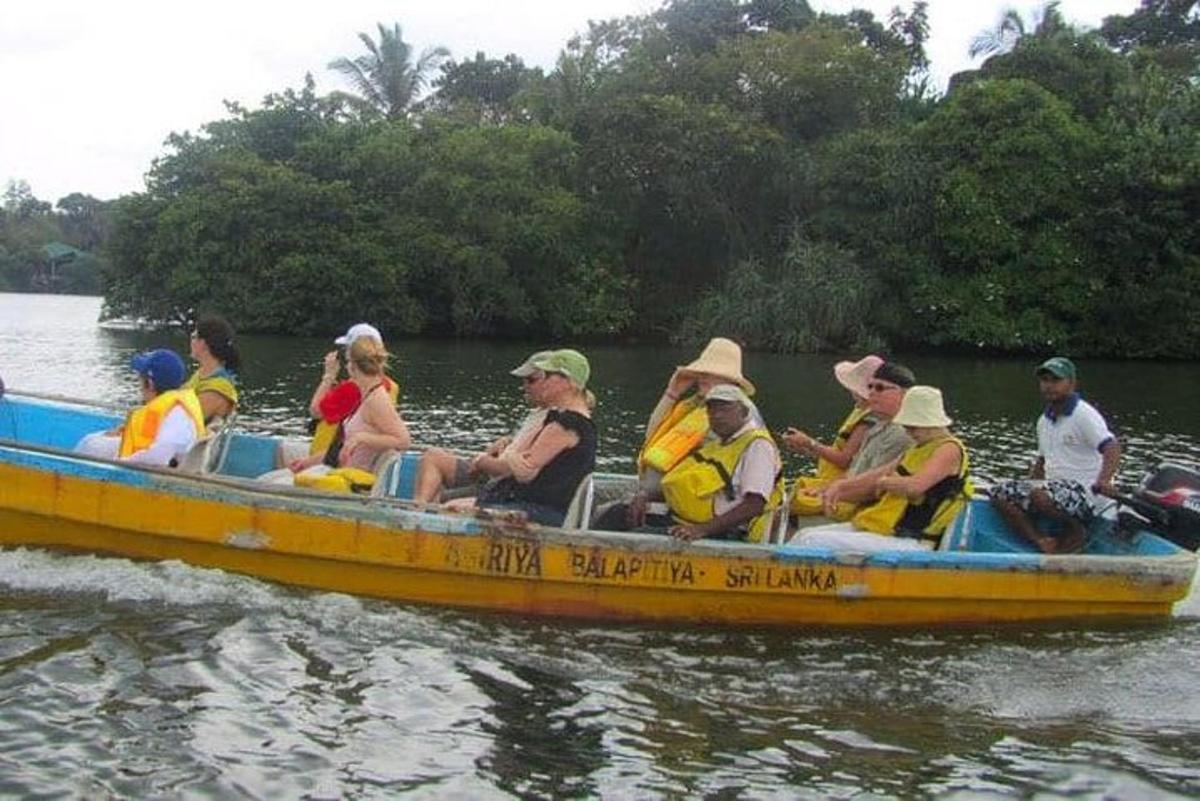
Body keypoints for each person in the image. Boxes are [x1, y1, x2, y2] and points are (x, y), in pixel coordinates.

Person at [792, 386, 972, 551]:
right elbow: (878, 475)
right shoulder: (918, 447)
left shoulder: (949, 449)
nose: (908, 432)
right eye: (905, 426)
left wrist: (885, 483)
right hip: (890, 530)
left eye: (912, 426)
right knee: (804, 535)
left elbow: (914, 487)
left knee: (812, 541)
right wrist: (837, 488)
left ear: (931, 423)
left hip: (913, 540)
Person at [595, 384, 784, 543]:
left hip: (723, 531)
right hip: (683, 518)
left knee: (636, 538)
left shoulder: (757, 445)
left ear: (743, 411)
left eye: (725, 409)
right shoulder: (720, 443)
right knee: (616, 514)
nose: (717, 415)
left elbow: (755, 504)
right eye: (712, 409)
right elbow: (686, 484)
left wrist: (701, 530)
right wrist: (644, 496)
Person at [450, 350, 596, 526]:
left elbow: (524, 471)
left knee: (452, 509)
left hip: (543, 510)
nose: (544, 382)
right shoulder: (558, 418)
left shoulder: (569, 424)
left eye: (548, 376)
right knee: (452, 505)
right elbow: (521, 458)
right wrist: (513, 451)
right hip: (529, 503)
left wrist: (506, 454)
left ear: (567, 383)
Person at [990, 357, 1121, 554]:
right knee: (999, 493)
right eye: (1045, 381)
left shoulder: (1083, 414)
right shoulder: (1044, 420)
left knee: (1039, 495)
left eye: (1056, 380)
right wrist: (1027, 486)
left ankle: (1076, 529)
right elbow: (1042, 460)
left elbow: (1112, 446)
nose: (1049, 386)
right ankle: (1041, 540)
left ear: (1072, 383)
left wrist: (1104, 481)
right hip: (1053, 490)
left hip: (1085, 492)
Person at [412, 351, 551, 504]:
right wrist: (507, 441)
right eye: (524, 380)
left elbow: (515, 469)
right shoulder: (538, 413)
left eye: (531, 380)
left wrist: (481, 462)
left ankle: (417, 515)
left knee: (442, 498)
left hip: (502, 484)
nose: (524, 386)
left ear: (553, 382)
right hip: (491, 474)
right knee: (433, 456)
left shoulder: (556, 422)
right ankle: (417, 508)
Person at [802, 360, 917, 520]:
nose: (871, 393)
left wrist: (831, 493)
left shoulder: (901, 433)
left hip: (865, 512)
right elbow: (853, 471)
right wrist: (826, 488)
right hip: (849, 501)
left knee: (798, 528)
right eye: (870, 387)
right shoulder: (878, 426)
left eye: (880, 388)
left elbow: (873, 489)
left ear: (904, 394)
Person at [275, 322, 400, 467]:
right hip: (337, 454)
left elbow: (315, 411)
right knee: (286, 450)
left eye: (347, 349)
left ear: (353, 354)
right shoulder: (389, 386)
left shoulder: (353, 389)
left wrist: (328, 376)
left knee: (282, 451)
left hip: (329, 457)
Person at [781, 354, 883, 515]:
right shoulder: (861, 411)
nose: (851, 392)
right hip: (836, 480)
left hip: (843, 487)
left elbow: (844, 461)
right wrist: (807, 449)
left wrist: (809, 443)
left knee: (788, 508)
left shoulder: (869, 420)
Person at [75, 349, 205, 467]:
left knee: (88, 444)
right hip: (148, 459)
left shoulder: (177, 417)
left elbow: (160, 456)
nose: (139, 385)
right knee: (93, 439)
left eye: (140, 379)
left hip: (143, 470)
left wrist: (120, 462)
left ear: (150, 384)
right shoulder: (174, 408)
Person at [183, 314, 240, 423]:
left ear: (203, 343)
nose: (190, 341)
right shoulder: (203, 374)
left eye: (193, 337)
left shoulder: (217, 389)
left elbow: (185, 422)